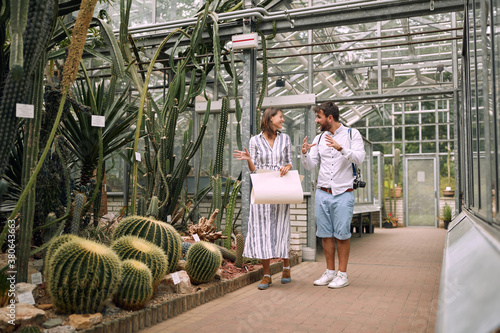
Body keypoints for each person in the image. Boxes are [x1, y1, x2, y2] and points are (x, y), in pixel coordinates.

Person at [301, 101, 365, 289]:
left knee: (342, 235)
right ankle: (329, 273)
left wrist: (340, 148)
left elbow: (360, 158)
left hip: (343, 193)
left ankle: (342, 275)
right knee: (325, 235)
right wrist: (305, 154)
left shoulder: (352, 134)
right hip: (322, 193)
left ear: (330, 118)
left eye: (319, 117)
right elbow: (311, 165)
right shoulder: (319, 139)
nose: (316, 120)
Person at [233, 107, 293, 290]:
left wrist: (287, 167)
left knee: (281, 227)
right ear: (270, 119)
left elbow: (290, 161)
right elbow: (254, 169)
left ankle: (286, 266)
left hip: (281, 186)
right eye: (280, 117)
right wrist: (249, 159)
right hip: (262, 187)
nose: (283, 120)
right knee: (262, 231)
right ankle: (266, 275)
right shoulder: (255, 140)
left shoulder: (285, 138)